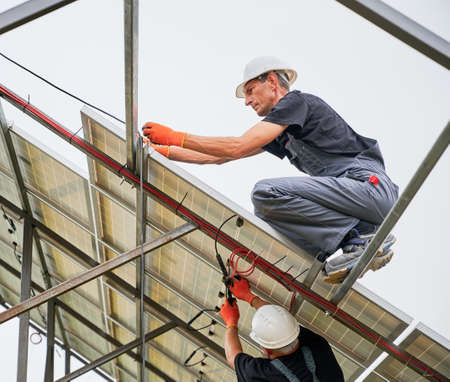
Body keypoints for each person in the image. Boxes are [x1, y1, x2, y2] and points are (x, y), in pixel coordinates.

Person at [142, 56, 398, 283]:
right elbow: (217, 158)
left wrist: (176, 136)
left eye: (251, 90)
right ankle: (349, 245)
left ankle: (356, 238)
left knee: (266, 192)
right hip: (356, 201)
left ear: (273, 82)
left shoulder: (296, 103)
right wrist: (160, 150)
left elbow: (237, 147)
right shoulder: (284, 130)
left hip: (367, 186)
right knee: (266, 212)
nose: (247, 102)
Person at [219, 276, 344, 381]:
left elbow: (233, 358)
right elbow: (279, 321)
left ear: (267, 350)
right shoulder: (317, 345)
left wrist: (231, 320)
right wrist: (248, 297)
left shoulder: (267, 374)